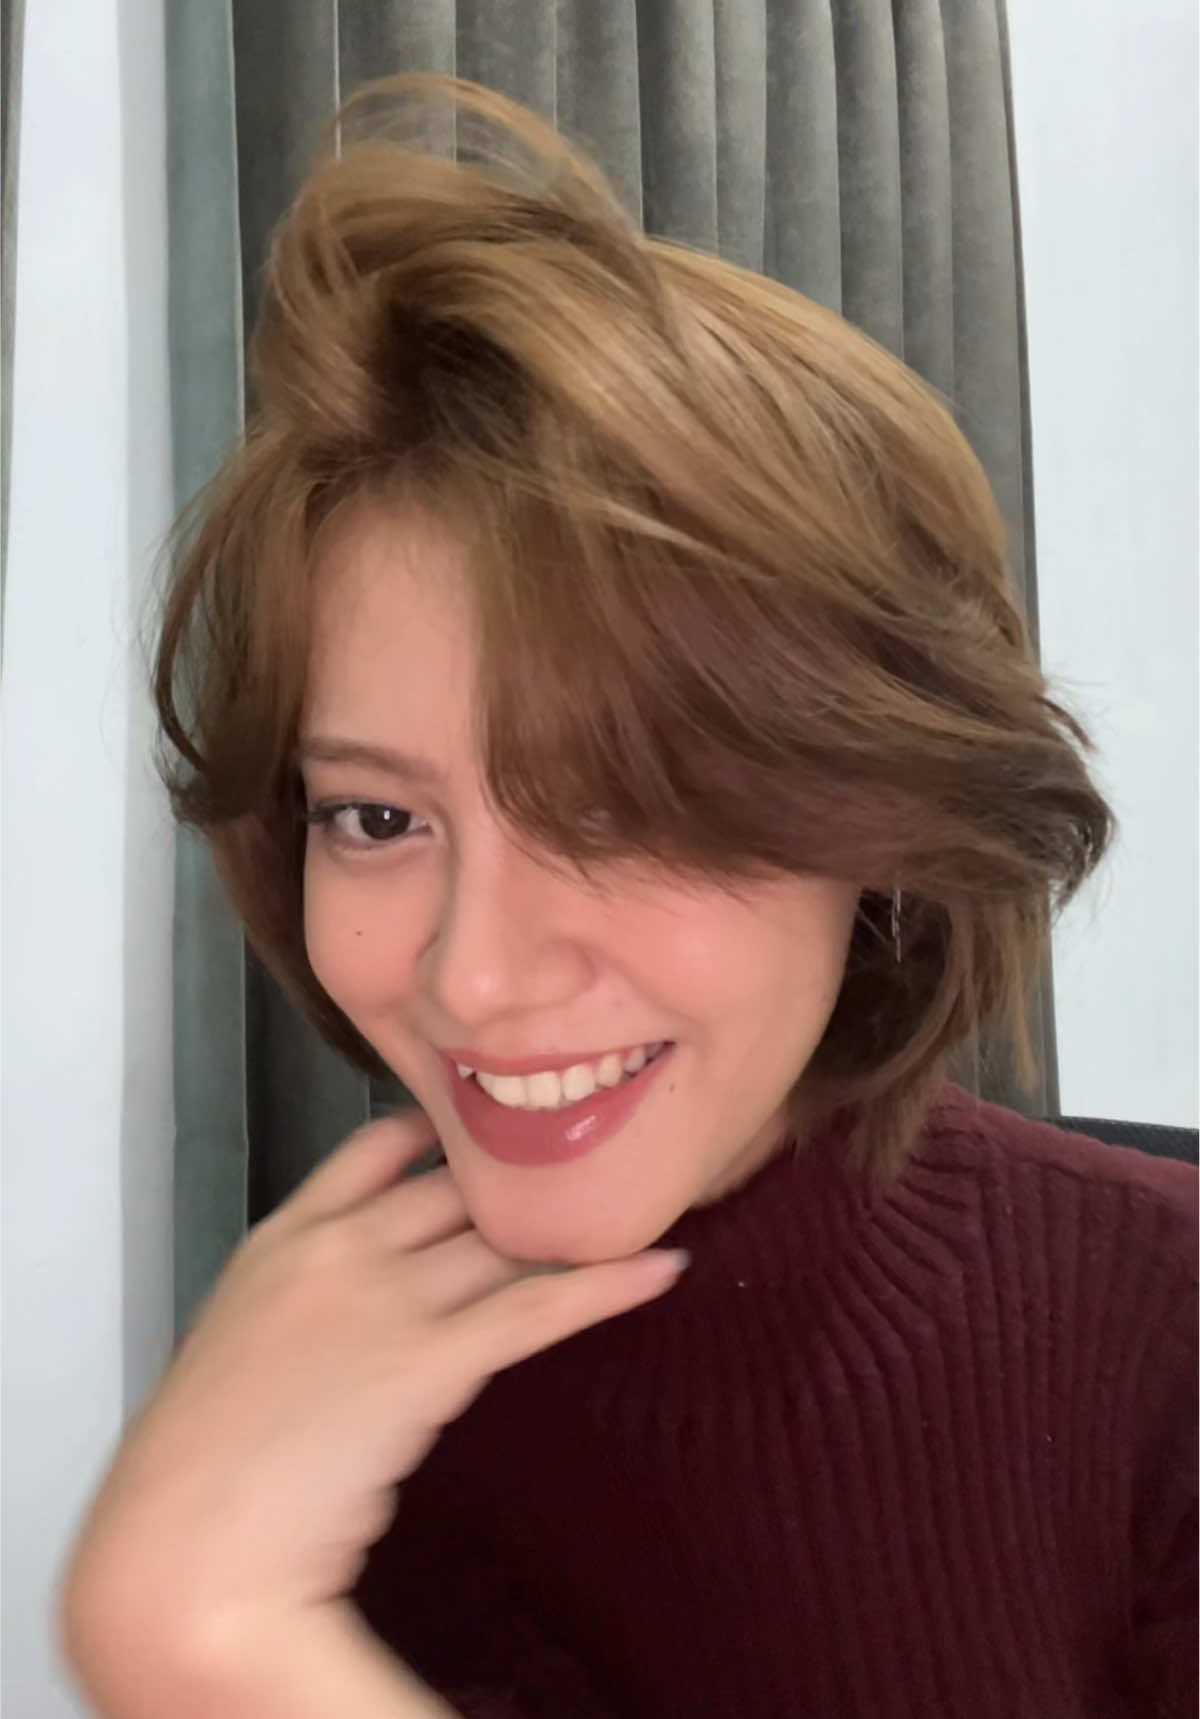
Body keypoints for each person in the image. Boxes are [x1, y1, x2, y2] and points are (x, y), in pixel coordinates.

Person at [58, 73, 1196, 1719]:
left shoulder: (1163, 1346)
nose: (474, 978)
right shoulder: (295, 1413)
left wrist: (207, 1644)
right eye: (377, 816)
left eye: (627, 815)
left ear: (879, 816)